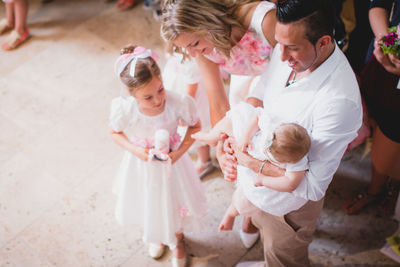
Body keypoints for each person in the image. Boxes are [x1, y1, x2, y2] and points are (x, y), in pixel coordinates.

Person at [215, 0, 362, 265]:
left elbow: (313, 186)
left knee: (282, 257)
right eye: (279, 45)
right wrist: (235, 139)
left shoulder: (338, 102)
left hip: (288, 208)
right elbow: (261, 93)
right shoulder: (286, 48)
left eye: (292, 48)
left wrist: (250, 163)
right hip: (255, 186)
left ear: (324, 41)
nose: (281, 57)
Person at [161, 0, 277, 248]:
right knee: (242, 154)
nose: (192, 53)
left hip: (280, 90)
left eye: (194, 43)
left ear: (209, 21)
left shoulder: (263, 19)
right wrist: (222, 144)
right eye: (185, 48)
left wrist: (252, 112)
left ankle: (256, 212)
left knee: (274, 154)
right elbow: (216, 100)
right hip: (244, 90)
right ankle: (249, 210)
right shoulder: (202, 50)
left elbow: (294, 70)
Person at [109, 45, 207, 267]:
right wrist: (137, 151)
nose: (157, 100)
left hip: (173, 166)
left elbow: (195, 126)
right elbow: (114, 132)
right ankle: (158, 235)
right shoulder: (125, 109)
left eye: (160, 90)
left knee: (174, 201)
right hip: (141, 165)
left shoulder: (177, 103)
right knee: (148, 201)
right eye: (148, 97)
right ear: (131, 94)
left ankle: (178, 239)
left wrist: (179, 152)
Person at [192, 102, 311, 232]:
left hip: (260, 177)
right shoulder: (275, 127)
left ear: (290, 161)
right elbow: (257, 116)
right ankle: (211, 136)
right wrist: (245, 137)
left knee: (245, 199)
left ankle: (231, 214)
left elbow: (291, 183)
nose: (265, 150)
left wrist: (263, 180)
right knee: (233, 119)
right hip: (251, 141)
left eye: (270, 154)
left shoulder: (297, 161)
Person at [344, 0, 400, 216]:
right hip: (385, 68)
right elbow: (378, 5)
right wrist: (387, 43)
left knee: (386, 155)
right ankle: (376, 189)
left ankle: (389, 186)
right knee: (382, 130)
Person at [162, 48, 216, 179]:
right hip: (179, 87)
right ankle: (185, 149)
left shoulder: (189, 56)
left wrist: (184, 110)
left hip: (190, 97)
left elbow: (191, 88)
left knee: (197, 128)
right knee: (181, 128)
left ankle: (205, 161)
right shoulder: (177, 46)